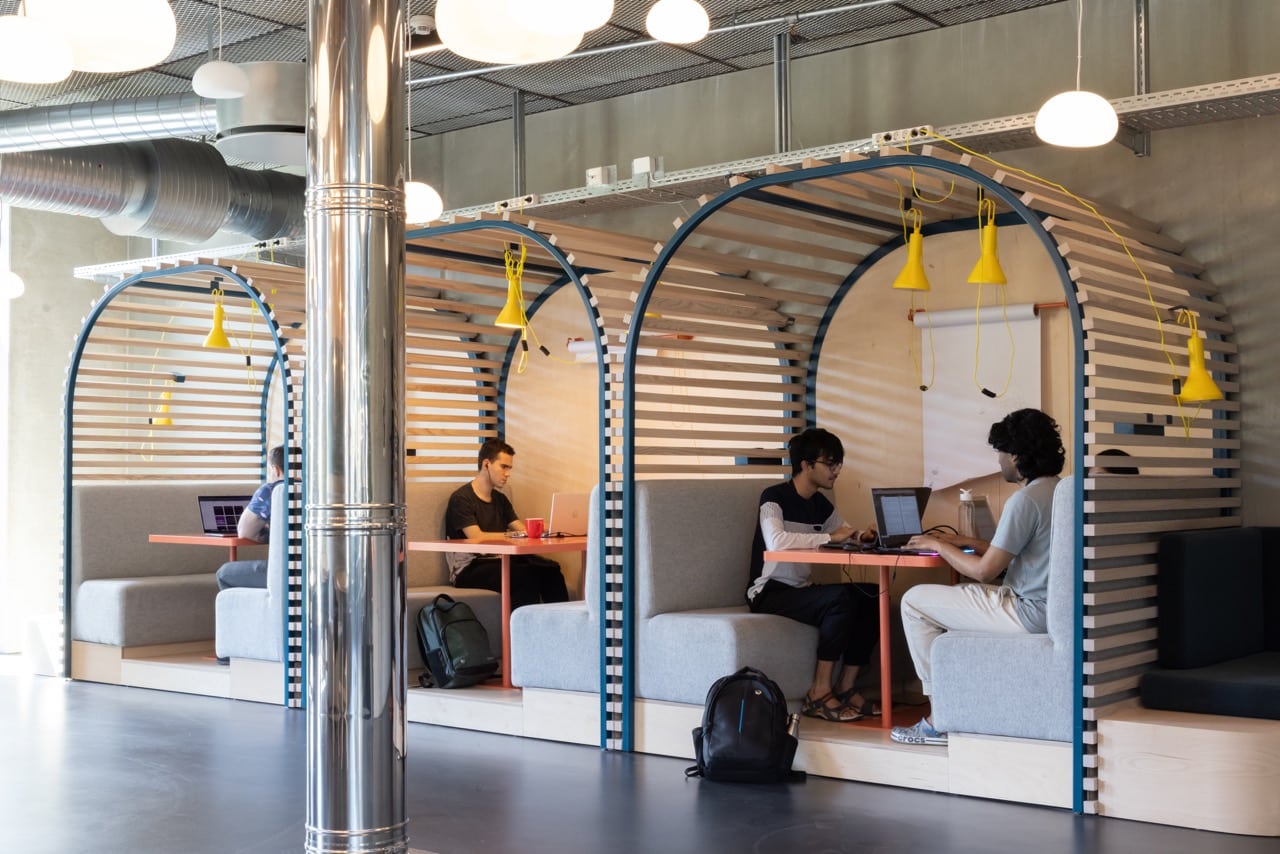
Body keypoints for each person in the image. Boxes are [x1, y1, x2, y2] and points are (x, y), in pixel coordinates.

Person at [890, 408, 1065, 746]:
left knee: (913, 602)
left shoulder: (1025, 501)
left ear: (1016, 455)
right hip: (1051, 609)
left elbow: (986, 572)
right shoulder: (1059, 491)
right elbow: (1023, 551)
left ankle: (939, 714)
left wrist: (936, 544)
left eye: (1000, 452)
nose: (999, 461)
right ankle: (955, 706)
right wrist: (970, 542)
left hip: (1024, 610)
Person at [747, 428, 882, 723]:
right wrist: (831, 538)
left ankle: (846, 687)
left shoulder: (820, 504)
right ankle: (818, 693)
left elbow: (841, 533)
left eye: (838, 464)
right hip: (769, 592)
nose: (836, 471)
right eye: (830, 464)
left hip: (800, 589)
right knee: (842, 599)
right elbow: (776, 542)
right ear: (807, 466)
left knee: (872, 594)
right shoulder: (773, 498)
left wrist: (862, 536)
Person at [445, 438, 569, 610]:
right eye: (504, 467)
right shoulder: (462, 499)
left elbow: (522, 529)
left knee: (551, 570)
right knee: (524, 576)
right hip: (469, 569)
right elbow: (476, 537)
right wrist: (514, 536)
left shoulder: (500, 500)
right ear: (486, 464)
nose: (508, 473)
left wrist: (557, 525)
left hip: (499, 561)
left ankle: (561, 632)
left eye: (509, 468)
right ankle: (522, 636)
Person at [214, 444, 286, 592]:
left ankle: (257, 615)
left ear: (276, 470)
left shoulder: (273, 490)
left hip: (287, 571)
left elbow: (245, 532)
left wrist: (272, 534)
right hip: (321, 572)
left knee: (224, 573)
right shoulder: (320, 490)